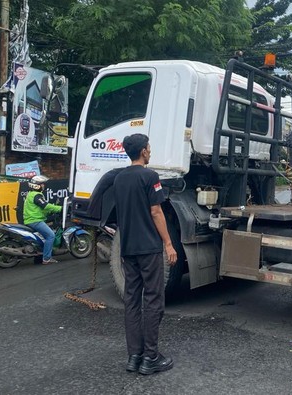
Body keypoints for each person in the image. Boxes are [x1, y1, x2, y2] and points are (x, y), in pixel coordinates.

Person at [114, 133, 178, 375]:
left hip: (128, 249)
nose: (150, 151)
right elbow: (156, 212)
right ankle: (151, 357)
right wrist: (169, 244)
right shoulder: (150, 176)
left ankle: (134, 356)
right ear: (142, 151)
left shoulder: (119, 179)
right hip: (149, 249)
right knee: (153, 300)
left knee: (132, 301)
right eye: (149, 148)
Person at [23, 175, 62, 264]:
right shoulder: (36, 195)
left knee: (44, 237)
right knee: (51, 236)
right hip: (35, 220)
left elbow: (41, 209)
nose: (44, 186)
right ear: (37, 185)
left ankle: (39, 256)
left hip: (32, 219)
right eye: (42, 184)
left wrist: (49, 212)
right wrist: (60, 208)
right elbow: (45, 205)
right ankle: (47, 258)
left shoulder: (31, 194)